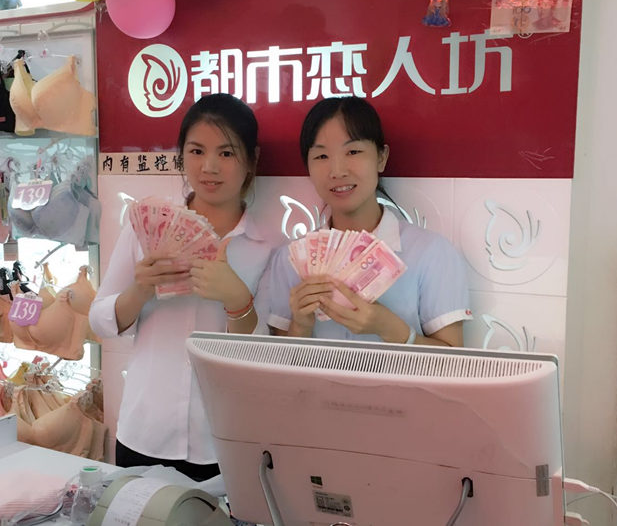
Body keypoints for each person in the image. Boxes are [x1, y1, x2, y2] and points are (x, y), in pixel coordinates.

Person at [88, 94, 273, 479]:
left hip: (223, 438)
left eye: (227, 153)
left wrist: (237, 300)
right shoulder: (146, 230)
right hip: (144, 430)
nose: (209, 167)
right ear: (181, 156)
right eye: (196, 151)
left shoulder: (266, 248)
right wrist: (141, 288)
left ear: (251, 160)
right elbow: (100, 320)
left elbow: (264, 355)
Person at [257, 96, 471, 346]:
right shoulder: (289, 259)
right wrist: (300, 326)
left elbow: (453, 359)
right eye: (322, 156)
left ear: (381, 158)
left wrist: (392, 329)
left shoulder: (432, 253)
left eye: (353, 151)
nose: (337, 171)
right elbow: (279, 360)